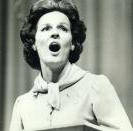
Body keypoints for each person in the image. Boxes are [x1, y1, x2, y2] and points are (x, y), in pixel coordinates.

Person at [9, 0, 133, 130]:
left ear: (73, 43)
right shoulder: (23, 104)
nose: (55, 33)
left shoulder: (96, 86)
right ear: (33, 43)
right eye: (46, 28)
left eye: (63, 28)